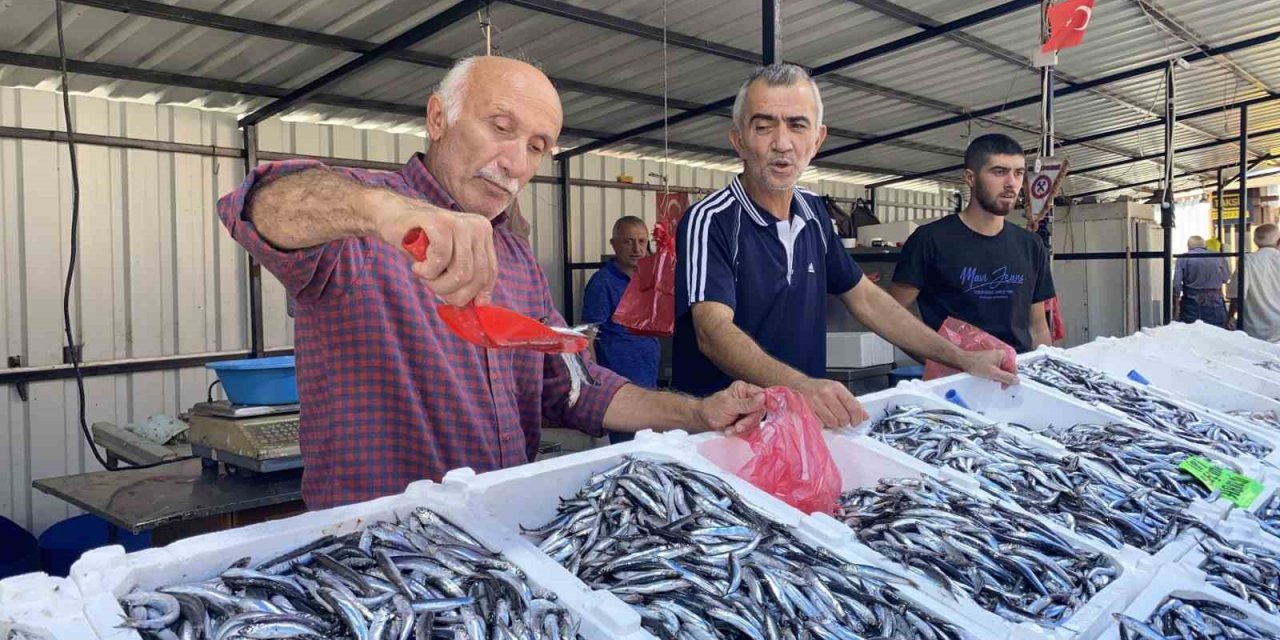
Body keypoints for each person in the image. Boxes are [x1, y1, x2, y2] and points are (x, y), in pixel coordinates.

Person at [217, 56, 766, 510]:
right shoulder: (360, 228)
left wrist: (697, 412)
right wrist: (383, 211)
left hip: (500, 533)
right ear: (438, 119)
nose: (514, 162)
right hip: (380, 550)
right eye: (500, 129)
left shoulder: (517, 259)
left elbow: (573, 387)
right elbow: (257, 208)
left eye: (536, 146)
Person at [673, 63, 1016, 430]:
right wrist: (802, 386)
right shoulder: (710, 220)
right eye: (763, 125)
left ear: (818, 139)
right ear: (738, 139)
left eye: (797, 125)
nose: (782, 143)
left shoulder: (813, 212)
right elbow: (712, 332)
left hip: (799, 426)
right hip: (725, 434)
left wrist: (962, 358)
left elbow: (867, 299)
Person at [888, 134, 1055, 354]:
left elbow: (1037, 327)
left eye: (1018, 173)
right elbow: (891, 314)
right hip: (956, 378)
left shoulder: (1031, 245)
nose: (1011, 183)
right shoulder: (930, 240)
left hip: (1018, 376)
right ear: (970, 178)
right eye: (999, 172)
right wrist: (939, 358)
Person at [581, 216, 661, 444]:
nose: (637, 249)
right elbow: (588, 337)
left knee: (647, 443)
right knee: (627, 447)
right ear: (613, 244)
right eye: (628, 242)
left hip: (647, 376)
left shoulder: (647, 280)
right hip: (618, 384)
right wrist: (594, 380)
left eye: (642, 241)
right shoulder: (602, 283)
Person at [1228, 223, 1280, 342]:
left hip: (1255, 329)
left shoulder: (1248, 261)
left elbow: (1237, 295)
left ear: (1255, 241)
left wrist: (1230, 317)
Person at [1172, 235, 1231, 327]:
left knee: (1192, 333)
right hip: (1215, 301)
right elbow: (1226, 278)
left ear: (1189, 247)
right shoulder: (1218, 256)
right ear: (1205, 246)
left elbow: (1176, 285)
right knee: (1217, 334)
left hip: (1191, 302)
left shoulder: (1183, 258)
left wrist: (1176, 309)